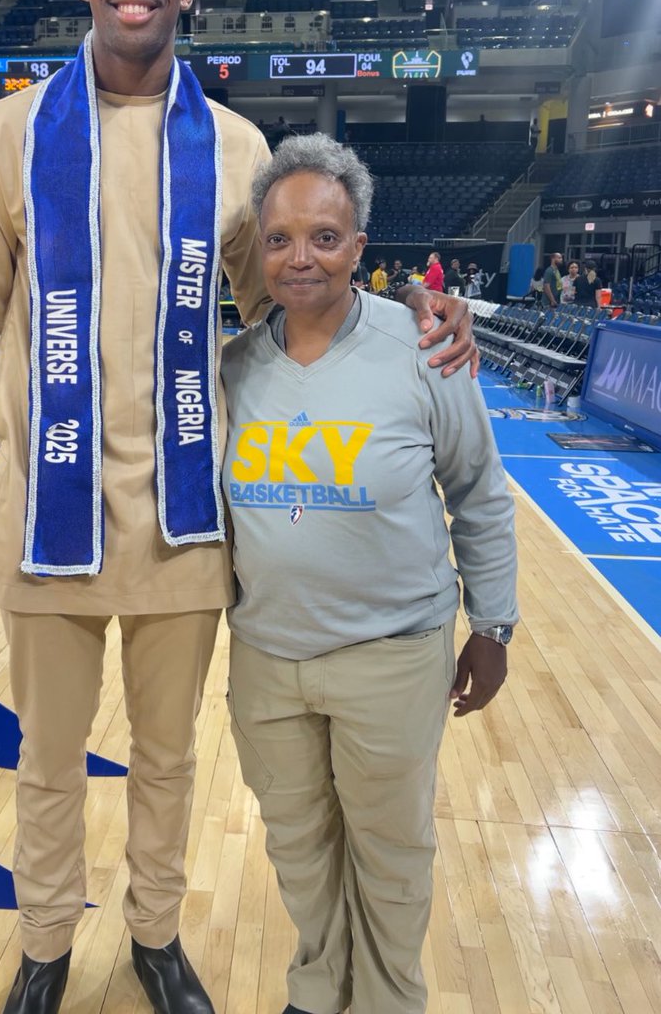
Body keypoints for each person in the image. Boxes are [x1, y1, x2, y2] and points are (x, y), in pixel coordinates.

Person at [0, 0, 477, 1014]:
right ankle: (42, 945)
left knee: (168, 758)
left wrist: (408, 303)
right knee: (46, 761)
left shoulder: (235, 146)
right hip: (45, 517)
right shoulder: (4, 134)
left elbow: (293, 298)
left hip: (185, 517)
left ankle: (156, 934)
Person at [221, 135, 517, 1014]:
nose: (299, 257)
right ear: (259, 249)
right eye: (279, 239)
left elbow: (478, 492)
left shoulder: (424, 349)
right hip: (266, 657)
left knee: (390, 853)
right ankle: (319, 989)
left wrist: (492, 626)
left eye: (323, 237)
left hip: (390, 656)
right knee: (296, 845)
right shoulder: (233, 367)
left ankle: (390, 1000)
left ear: (358, 247)